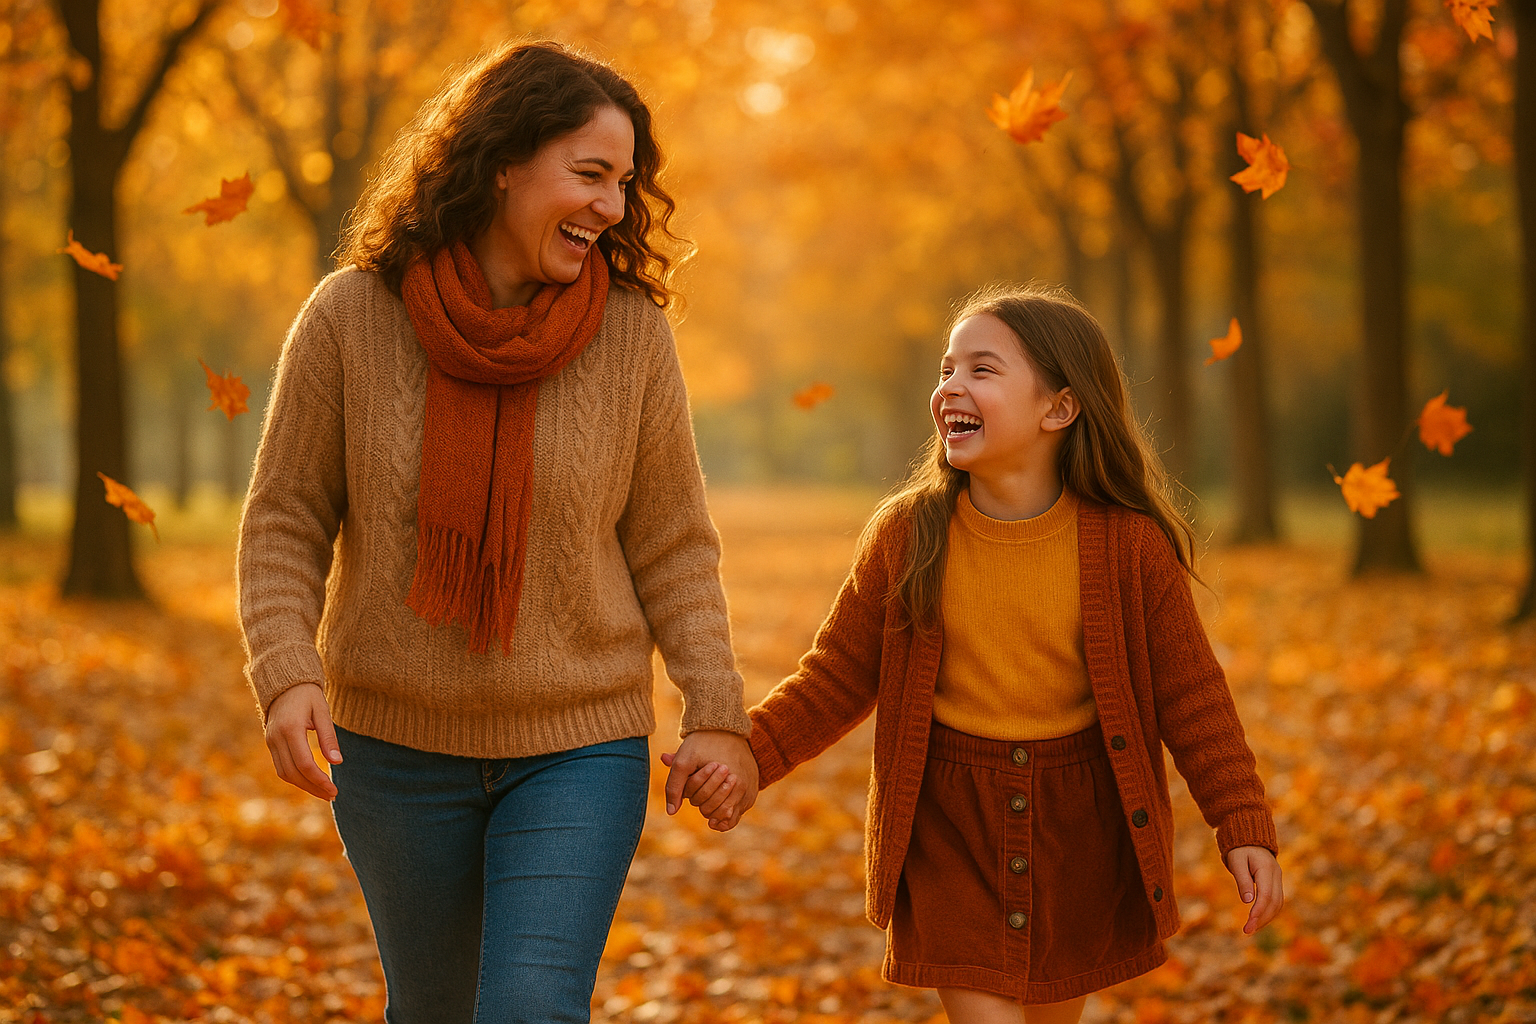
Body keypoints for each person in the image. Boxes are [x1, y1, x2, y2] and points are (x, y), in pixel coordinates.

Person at [235, 41, 756, 1024]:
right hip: (392, 746)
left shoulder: (634, 335)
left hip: (580, 743)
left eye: (624, 183)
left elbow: (674, 544)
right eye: (590, 174)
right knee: (431, 1009)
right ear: (504, 159)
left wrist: (717, 706)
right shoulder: (350, 317)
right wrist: (286, 668)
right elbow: (285, 516)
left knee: (528, 1008)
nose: (612, 206)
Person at [742, 284, 1283, 1023]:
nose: (949, 388)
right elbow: (836, 674)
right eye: (945, 369)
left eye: (981, 370)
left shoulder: (1128, 547)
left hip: (1081, 826)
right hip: (950, 824)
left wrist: (1242, 824)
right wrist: (750, 754)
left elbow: (1192, 698)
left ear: (1058, 408)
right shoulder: (909, 535)